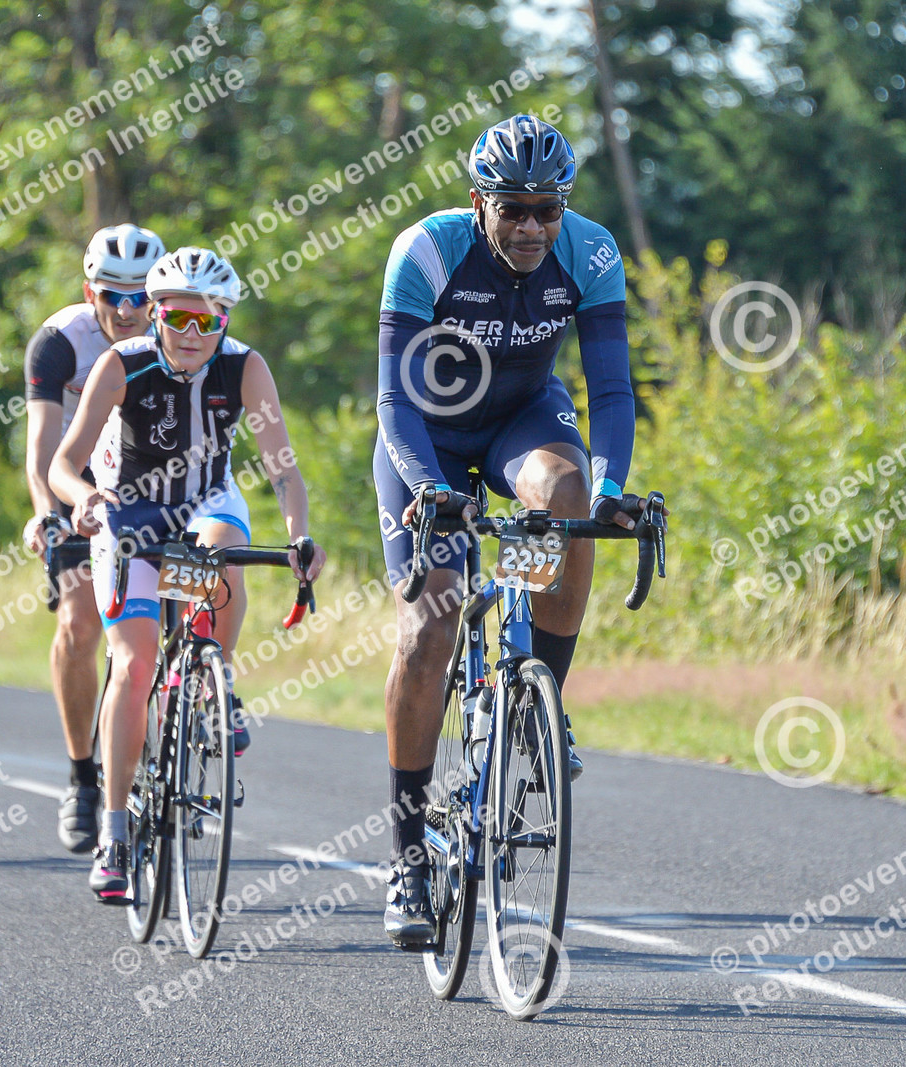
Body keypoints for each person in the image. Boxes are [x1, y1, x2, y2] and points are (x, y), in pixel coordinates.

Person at [373, 114, 645, 946]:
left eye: (547, 209)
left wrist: (610, 491)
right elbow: (393, 397)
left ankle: (539, 701)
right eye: (513, 209)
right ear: (478, 202)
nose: (531, 226)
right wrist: (429, 487)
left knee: (569, 499)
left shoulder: (590, 252)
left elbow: (611, 390)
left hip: (522, 421)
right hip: (427, 437)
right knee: (430, 626)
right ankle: (408, 856)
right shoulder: (426, 250)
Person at [49, 246, 325, 903]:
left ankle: (211, 678)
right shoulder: (122, 365)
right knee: (135, 663)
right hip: (128, 510)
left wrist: (298, 535)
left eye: (208, 321)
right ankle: (115, 833)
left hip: (206, 503)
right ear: (155, 314)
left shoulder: (245, 367)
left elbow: (283, 469)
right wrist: (82, 499)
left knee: (224, 549)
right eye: (178, 319)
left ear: (225, 319)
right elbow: (63, 462)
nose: (192, 334)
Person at [22, 223, 168, 854]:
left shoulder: (182, 335)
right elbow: (43, 450)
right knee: (81, 623)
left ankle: (187, 729)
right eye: (113, 295)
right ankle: (83, 777)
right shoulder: (60, 343)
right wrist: (48, 516)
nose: (127, 310)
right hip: (80, 489)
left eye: (140, 297)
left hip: (156, 484)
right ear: (91, 293)